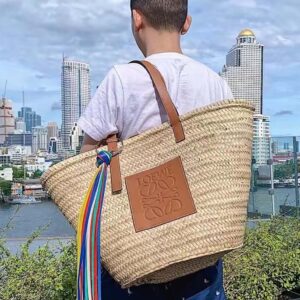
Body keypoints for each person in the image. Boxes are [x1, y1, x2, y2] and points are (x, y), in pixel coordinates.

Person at [78, 0, 233, 299]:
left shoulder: (121, 79)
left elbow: (88, 164)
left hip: (135, 258)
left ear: (137, 19)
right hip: (200, 252)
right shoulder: (216, 85)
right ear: (186, 23)